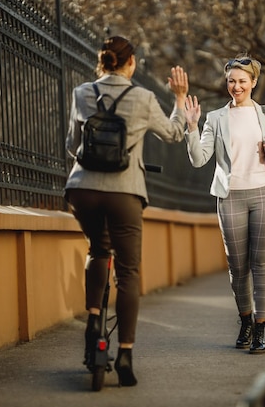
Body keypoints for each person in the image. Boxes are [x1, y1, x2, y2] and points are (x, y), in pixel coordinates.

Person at [64, 36, 189, 386]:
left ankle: (92, 321)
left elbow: (72, 146)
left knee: (98, 249)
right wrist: (179, 98)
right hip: (124, 193)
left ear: (102, 62)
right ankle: (125, 356)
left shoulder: (81, 93)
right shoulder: (143, 98)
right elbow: (174, 133)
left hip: (82, 191)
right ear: (131, 63)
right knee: (129, 271)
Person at [184, 56, 265, 354]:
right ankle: (245, 320)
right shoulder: (216, 118)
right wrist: (192, 126)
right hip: (230, 197)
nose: (236, 86)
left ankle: (260, 330)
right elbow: (198, 159)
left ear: (253, 82)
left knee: (263, 266)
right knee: (238, 267)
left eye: (243, 81)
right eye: (231, 81)